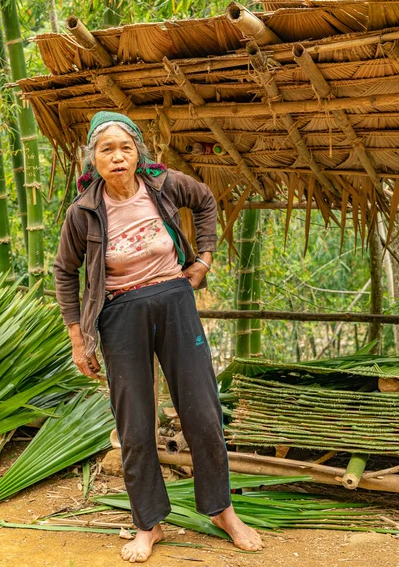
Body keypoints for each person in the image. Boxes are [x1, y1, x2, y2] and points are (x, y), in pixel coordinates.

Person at [54, 111, 264, 563]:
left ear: (137, 153)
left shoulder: (164, 184)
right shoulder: (83, 211)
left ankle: (222, 510)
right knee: (133, 422)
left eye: (125, 148)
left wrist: (203, 260)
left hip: (174, 298)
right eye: (106, 149)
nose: (117, 157)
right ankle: (148, 523)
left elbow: (206, 200)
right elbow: (64, 271)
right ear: (93, 157)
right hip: (118, 311)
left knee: (203, 409)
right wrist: (78, 337)